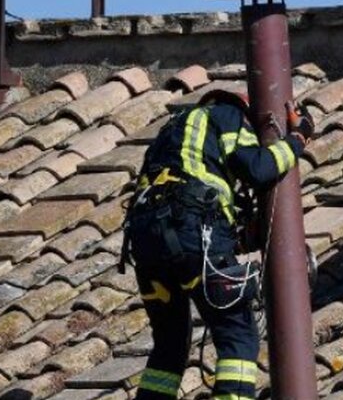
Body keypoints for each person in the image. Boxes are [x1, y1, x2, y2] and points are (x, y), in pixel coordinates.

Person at [121, 90, 314, 400]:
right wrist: (299, 139)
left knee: (170, 342)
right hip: (190, 228)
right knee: (238, 334)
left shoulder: (172, 131)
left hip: (146, 241)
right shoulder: (228, 115)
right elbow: (258, 169)